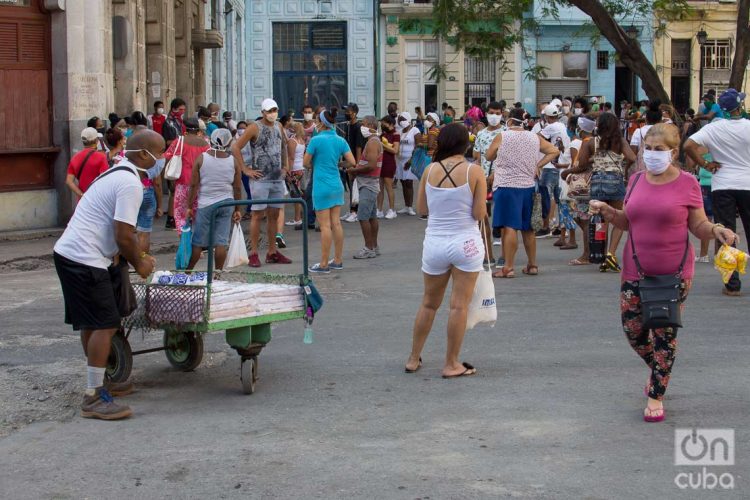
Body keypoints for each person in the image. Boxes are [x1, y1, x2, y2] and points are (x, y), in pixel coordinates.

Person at [589, 123, 737, 423]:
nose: (653, 155)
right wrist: (608, 212)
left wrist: (717, 229)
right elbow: (629, 221)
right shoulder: (635, 180)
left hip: (674, 272)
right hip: (635, 269)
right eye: (648, 149)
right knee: (634, 332)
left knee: (663, 335)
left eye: (660, 150)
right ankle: (660, 370)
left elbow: (697, 225)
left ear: (673, 152)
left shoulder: (687, 183)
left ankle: (656, 393)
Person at [54, 130, 161, 420]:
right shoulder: (129, 183)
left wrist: (136, 255)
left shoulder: (116, 173)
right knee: (106, 323)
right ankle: (93, 397)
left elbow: (119, 233)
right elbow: (124, 235)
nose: (161, 160)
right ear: (143, 155)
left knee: (92, 322)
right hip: (84, 258)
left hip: (72, 253)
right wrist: (140, 264)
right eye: (159, 154)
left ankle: (102, 382)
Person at [404, 123, 487, 378]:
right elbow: (478, 213)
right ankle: (451, 363)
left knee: (429, 304)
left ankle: (413, 357)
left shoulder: (429, 170)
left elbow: (422, 210)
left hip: (435, 243)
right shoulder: (474, 171)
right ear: (465, 144)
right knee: (458, 306)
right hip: (466, 242)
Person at [684, 88, 750, 296]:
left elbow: (688, 145)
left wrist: (704, 163)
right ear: (739, 107)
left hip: (722, 185)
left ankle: (732, 284)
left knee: (726, 233)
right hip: (747, 184)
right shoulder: (748, 126)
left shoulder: (714, 128)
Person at [486, 107, 559, 278]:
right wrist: (538, 165)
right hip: (527, 187)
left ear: (510, 121)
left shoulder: (503, 136)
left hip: (506, 186)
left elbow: (489, 156)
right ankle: (532, 265)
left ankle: (508, 267)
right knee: (528, 228)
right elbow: (554, 151)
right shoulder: (534, 137)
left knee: (510, 226)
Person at [231, 98, 292, 268]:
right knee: (258, 215)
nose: (273, 113)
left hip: (276, 178)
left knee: (274, 215)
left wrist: (286, 166)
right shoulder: (254, 127)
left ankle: (272, 251)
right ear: (263, 112)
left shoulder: (279, 126)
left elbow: (283, 146)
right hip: (260, 179)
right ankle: (254, 253)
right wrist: (245, 169)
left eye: (275, 110)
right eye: (270, 110)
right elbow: (235, 147)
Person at [577, 112, 636, 272]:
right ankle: (611, 253)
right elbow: (632, 157)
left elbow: (582, 164)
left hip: (597, 183)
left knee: (600, 220)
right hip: (615, 181)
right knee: (619, 218)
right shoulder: (620, 141)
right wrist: (623, 166)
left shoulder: (591, 142)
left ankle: (601, 254)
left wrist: (592, 158)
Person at [304, 107, 356, 273]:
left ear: (321, 122)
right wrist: (339, 164)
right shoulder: (340, 140)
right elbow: (352, 162)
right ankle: (338, 260)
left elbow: (306, 163)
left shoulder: (316, 140)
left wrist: (317, 164)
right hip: (336, 184)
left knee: (325, 226)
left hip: (321, 185)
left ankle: (324, 263)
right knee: (336, 223)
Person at [186, 129, 243, 270]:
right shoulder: (233, 161)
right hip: (227, 203)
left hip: (206, 204)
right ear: (229, 142)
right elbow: (237, 188)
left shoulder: (201, 158)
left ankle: (188, 271)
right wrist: (237, 209)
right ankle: (218, 273)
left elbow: (193, 185)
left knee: (198, 242)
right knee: (221, 242)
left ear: (210, 140)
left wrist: (189, 206)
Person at [163, 117, 210, 235]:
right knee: (198, 215)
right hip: (201, 184)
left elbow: (167, 157)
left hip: (183, 183)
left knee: (180, 216)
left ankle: (185, 245)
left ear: (185, 128)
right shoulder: (205, 143)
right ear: (198, 130)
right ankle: (198, 247)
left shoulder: (179, 141)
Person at [561, 115, 597, 265]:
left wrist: (568, 172)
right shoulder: (593, 141)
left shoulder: (587, 142)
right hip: (590, 183)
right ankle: (591, 248)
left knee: (584, 218)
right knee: (582, 217)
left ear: (581, 129)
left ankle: (587, 254)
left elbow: (581, 164)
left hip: (584, 185)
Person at [346, 116, 382, 259]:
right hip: (369, 183)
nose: (362, 127)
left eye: (365, 124)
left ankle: (368, 248)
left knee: (363, 217)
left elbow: (371, 165)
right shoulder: (373, 141)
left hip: (368, 184)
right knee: (372, 216)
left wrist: (355, 171)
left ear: (371, 125)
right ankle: (374, 245)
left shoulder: (372, 143)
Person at [473, 101, 505, 264]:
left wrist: (495, 172)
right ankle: (487, 255)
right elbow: (477, 156)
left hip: (503, 179)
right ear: (486, 114)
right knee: (482, 217)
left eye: (497, 113)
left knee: (503, 220)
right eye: (491, 112)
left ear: (502, 114)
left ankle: (505, 256)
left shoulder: (507, 132)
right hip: (483, 180)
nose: (494, 116)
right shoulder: (481, 134)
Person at [536, 104, 570, 238]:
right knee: (559, 198)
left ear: (547, 116)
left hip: (551, 166)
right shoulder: (562, 125)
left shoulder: (550, 127)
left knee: (545, 195)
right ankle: (562, 228)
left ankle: (545, 227)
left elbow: (536, 137)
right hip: (561, 166)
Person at [161, 97, 187, 229]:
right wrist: (182, 141)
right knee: (174, 189)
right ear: (174, 109)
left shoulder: (178, 121)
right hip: (173, 158)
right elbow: (168, 142)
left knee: (177, 189)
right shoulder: (169, 123)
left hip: (179, 156)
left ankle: (175, 217)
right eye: (181, 109)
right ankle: (171, 218)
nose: (183, 112)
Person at [65, 128, 110, 199]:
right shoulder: (101, 157)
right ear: (96, 140)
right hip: (98, 200)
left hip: (82, 202)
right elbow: (105, 180)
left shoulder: (75, 157)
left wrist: (81, 194)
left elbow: (69, 181)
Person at [341, 103, 365, 223]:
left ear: (354, 113)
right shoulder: (348, 126)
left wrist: (357, 165)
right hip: (348, 159)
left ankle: (355, 212)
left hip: (354, 160)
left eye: (348, 111)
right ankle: (351, 210)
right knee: (351, 187)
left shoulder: (358, 127)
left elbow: (358, 147)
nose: (346, 113)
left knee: (354, 186)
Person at [395, 111, 420, 216]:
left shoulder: (415, 130)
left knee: (409, 182)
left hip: (409, 159)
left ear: (408, 120)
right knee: (403, 182)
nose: (401, 122)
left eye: (403, 119)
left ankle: (410, 207)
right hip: (400, 160)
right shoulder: (400, 131)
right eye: (400, 120)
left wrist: (411, 160)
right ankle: (406, 206)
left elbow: (418, 145)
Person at [283, 122, 307, 227]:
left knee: (296, 195)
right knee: (301, 194)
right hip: (301, 169)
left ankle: (297, 218)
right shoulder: (302, 141)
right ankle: (301, 217)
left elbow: (291, 158)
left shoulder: (292, 141)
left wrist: (289, 172)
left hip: (294, 170)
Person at [377, 115, 400, 219]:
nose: (382, 125)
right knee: (379, 187)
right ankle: (379, 210)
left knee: (388, 186)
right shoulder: (382, 134)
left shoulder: (396, 134)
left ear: (390, 124)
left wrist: (383, 145)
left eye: (384, 123)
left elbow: (395, 150)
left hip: (389, 163)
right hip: (380, 162)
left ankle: (392, 210)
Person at [235, 121, 253, 220]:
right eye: (240, 128)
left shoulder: (249, 140)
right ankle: (235, 210)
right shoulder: (234, 140)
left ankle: (249, 211)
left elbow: (251, 155)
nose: (242, 130)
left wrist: (245, 165)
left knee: (249, 190)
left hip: (246, 168)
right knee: (236, 189)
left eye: (244, 128)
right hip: (236, 169)